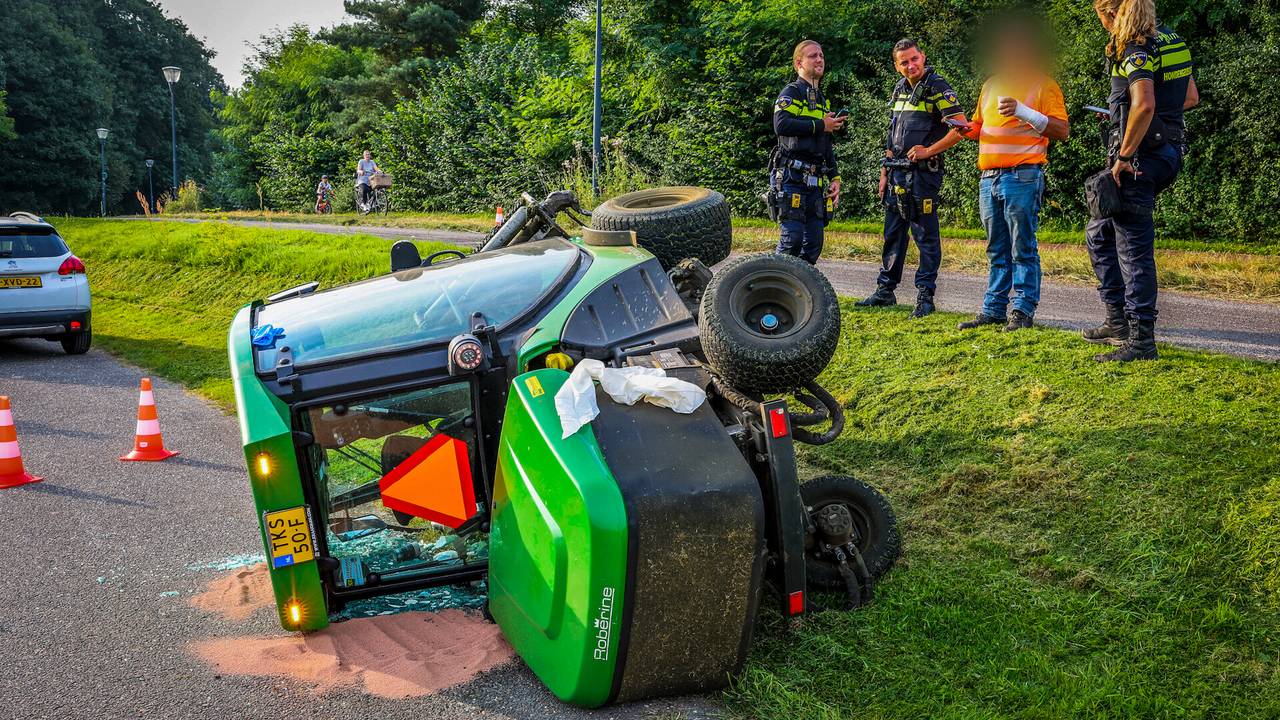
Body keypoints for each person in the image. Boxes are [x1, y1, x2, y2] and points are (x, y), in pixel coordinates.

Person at [1081, 0, 1195, 361]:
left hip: (1139, 160)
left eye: (1100, 16)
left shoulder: (1134, 47)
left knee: (1133, 248)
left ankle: (1142, 340)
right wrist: (1130, 117)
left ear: (1109, 13)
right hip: (1168, 150)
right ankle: (1117, 321)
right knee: (1099, 232)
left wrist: (1126, 152)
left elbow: (1144, 103)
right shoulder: (1171, 39)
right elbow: (1189, 98)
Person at [951, 17, 1070, 332]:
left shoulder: (1043, 85)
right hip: (989, 177)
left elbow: (1062, 130)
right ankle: (993, 309)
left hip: (1023, 176)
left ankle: (1022, 311)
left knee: (1022, 246)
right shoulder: (991, 85)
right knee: (996, 247)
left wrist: (1024, 112)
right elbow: (980, 127)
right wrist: (966, 129)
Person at [856, 39, 969, 318]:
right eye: (904, 62)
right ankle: (885, 291)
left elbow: (962, 127)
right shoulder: (900, 89)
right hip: (895, 172)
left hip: (922, 175)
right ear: (897, 67)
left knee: (924, 236)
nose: (911, 65)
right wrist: (884, 171)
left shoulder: (937, 86)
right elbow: (891, 134)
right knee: (893, 234)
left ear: (923, 57)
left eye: (914, 59)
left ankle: (925, 297)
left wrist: (929, 150)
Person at [770, 39, 844, 265]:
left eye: (821, 55)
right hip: (791, 176)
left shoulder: (822, 100)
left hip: (815, 180)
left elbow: (825, 144)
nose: (819, 59)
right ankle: (770, 287)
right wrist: (820, 125)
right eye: (813, 56)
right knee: (791, 239)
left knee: (813, 244)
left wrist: (835, 177)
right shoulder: (791, 92)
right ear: (798, 63)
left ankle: (797, 295)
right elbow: (780, 124)